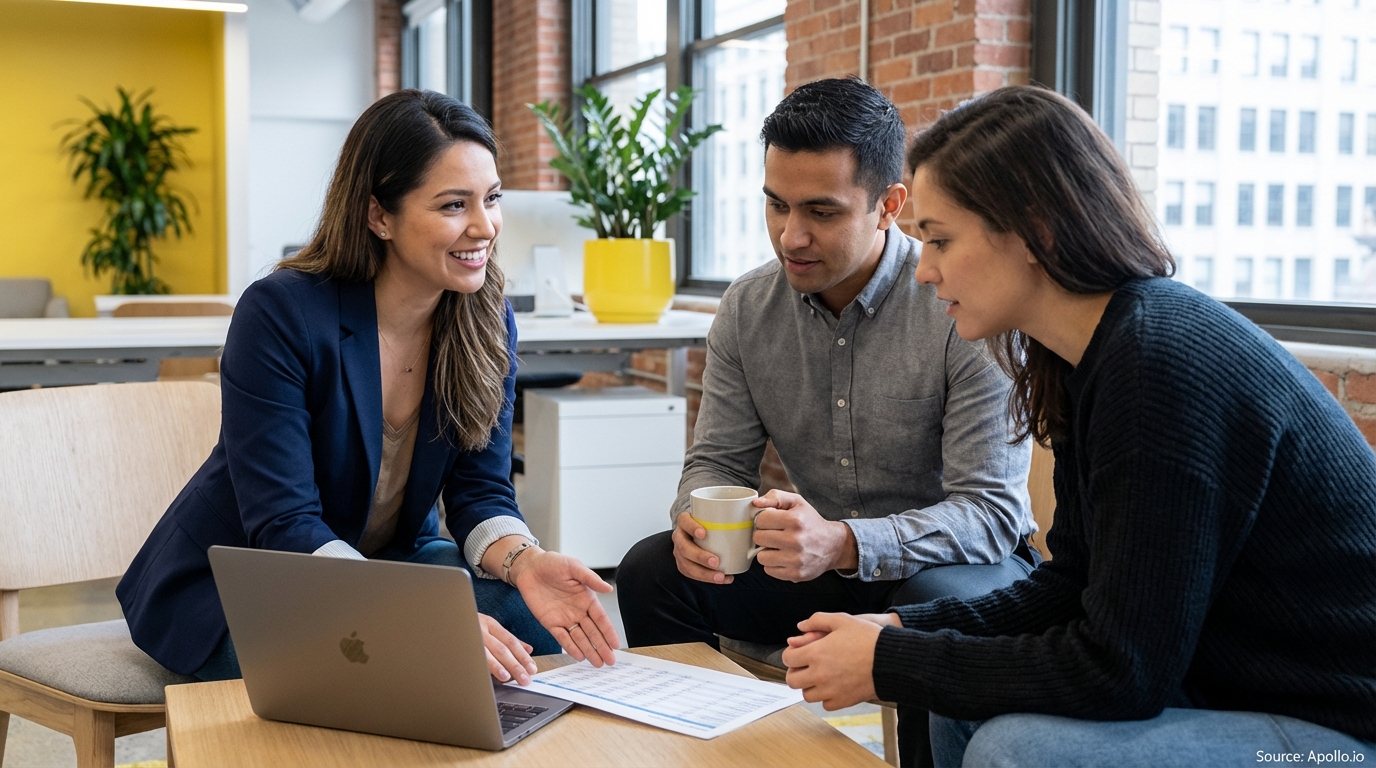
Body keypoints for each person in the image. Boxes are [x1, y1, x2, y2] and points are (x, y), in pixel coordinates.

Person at [778, 85, 1376, 767]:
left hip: (1338, 729)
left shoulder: (1158, 364)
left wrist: (893, 661)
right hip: (1224, 688)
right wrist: (899, 628)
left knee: (1017, 749)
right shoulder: (1086, 358)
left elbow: (1121, 670)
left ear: (1036, 231)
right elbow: (1072, 589)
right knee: (964, 697)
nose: (927, 271)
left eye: (941, 240)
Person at [118, 90, 619, 686]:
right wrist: (402, 613)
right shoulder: (281, 313)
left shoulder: (485, 317)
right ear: (379, 214)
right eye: (454, 205)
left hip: (389, 560)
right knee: (387, 668)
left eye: (491, 199)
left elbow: (480, 494)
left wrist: (526, 560)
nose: (484, 227)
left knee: (533, 627)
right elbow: (283, 522)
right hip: (250, 579)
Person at [616, 78, 1037, 766]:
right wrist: (693, 523)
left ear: (888, 206)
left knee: (932, 608)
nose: (792, 235)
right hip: (812, 566)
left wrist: (844, 541)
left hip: (949, 568)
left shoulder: (961, 304)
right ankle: (712, 751)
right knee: (652, 569)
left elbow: (991, 515)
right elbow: (718, 460)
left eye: (822, 210)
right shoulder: (748, 307)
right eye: (776, 206)